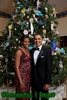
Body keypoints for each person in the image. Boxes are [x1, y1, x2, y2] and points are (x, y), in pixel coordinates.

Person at [30, 34, 52, 100]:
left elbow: (49, 68)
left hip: (43, 82)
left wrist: (47, 82)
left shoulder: (47, 51)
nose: (37, 41)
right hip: (34, 82)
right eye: (35, 39)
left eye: (39, 39)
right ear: (34, 40)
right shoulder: (31, 51)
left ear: (42, 40)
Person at [15, 35, 31, 100]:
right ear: (22, 42)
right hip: (21, 78)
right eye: (25, 42)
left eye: (28, 42)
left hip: (27, 77)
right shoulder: (19, 51)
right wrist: (20, 82)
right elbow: (16, 67)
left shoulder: (28, 51)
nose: (27, 43)